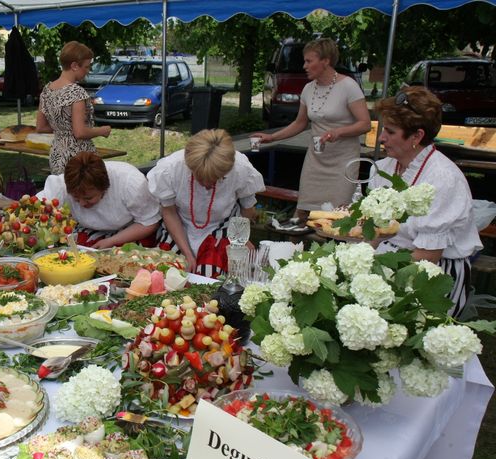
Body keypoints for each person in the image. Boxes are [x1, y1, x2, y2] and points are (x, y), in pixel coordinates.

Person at [368, 86, 482, 317]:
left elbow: (428, 256)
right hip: (389, 260)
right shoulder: (384, 168)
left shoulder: (443, 178)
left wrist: (378, 273)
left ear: (417, 136)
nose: (381, 138)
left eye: (390, 132)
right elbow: (373, 230)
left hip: (432, 274)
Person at [254, 38, 370, 221]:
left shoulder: (348, 86)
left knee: (337, 216)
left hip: (343, 161)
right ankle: (293, 246)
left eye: (309, 61)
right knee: (303, 211)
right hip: (316, 160)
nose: (304, 66)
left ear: (326, 61)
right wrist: (272, 137)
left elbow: (365, 124)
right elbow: (300, 123)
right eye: (304, 61)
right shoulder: (308, 89)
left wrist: (338, 132)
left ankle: (333, 248)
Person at [147, 129, 265, 278]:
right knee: (171, 274)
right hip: (179, 225)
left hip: (222, 226)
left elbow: (247, 209)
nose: (207, 185)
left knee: (209, 275)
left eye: (216, 179)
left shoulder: (241, 169)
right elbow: (169, 212)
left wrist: (241, 239)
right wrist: (187, 254)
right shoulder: (171, 169)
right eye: (201, 179)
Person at [37, 151, 160, 249]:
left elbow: (149, 222)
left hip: (129, 233)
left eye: (88, 198)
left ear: (104, 188)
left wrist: (112, 241)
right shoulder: (62, 185)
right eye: (76, 198)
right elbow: (37, 206)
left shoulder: (130, 183)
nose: (82, 203)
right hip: (88, 232)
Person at [36, 41, 111, 174]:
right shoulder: (76, 93)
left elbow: (40, 127)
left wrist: (63, 130)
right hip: (79, 159)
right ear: (74, 66)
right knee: (85, 193)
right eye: (87, 67)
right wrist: (102, 131)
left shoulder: (47, 90)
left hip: (57, 154)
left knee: (60, 193)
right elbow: (80, 132)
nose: (88, 71)